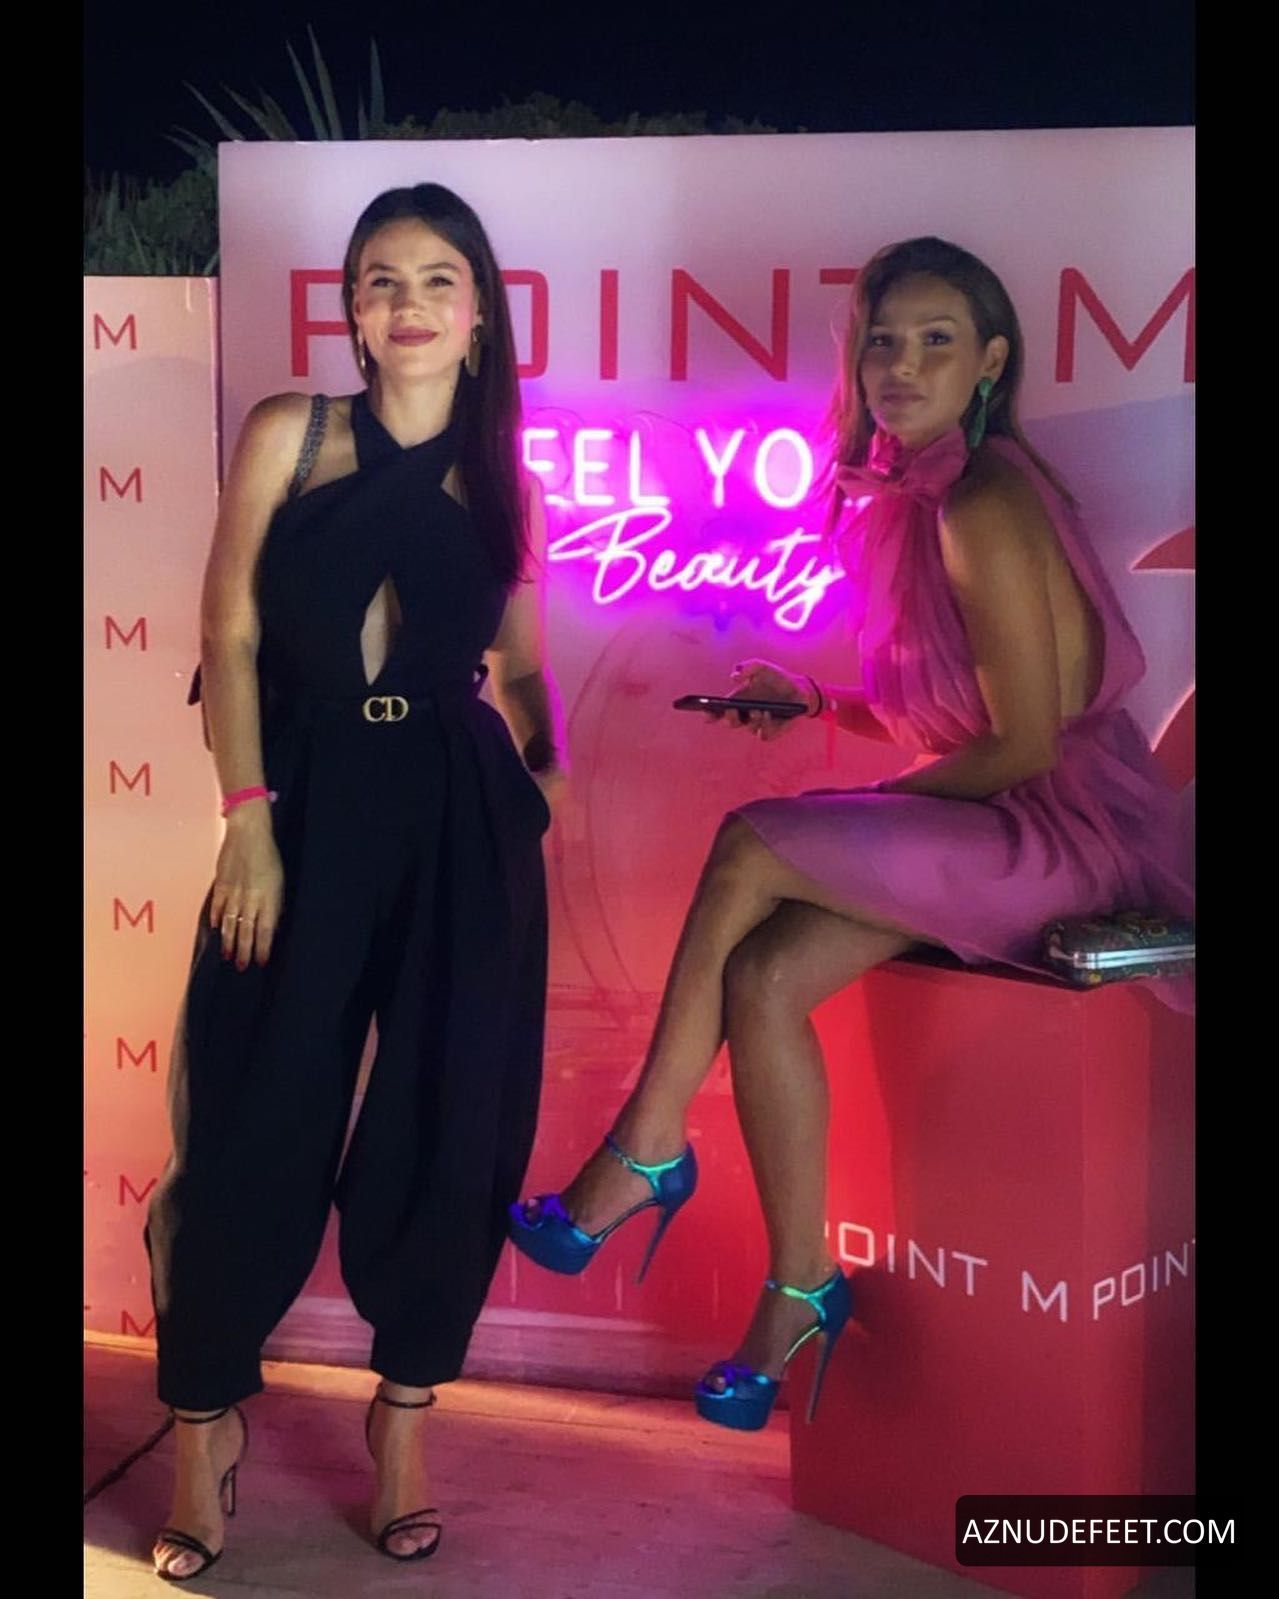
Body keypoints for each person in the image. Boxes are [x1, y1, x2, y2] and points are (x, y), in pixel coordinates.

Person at [508, 235, 1192, 1433]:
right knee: (766, 978)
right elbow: (955, 712)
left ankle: (646, 1149)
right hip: (991, 817)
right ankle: (799, 1288)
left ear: (989, 363)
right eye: (882, 339)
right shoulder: (907, 502)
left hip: (1061, 830)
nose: (901, 365)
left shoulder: (980, 498)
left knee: (753, 841)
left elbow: (1025, 746)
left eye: (936, 341)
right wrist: (819, 706)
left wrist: (840, 820)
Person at [147, 182, 564, 1579]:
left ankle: (404, 1424)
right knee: (252, 1105)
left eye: (438, 278)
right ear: (352, 310)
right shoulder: (293, 432)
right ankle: (202, 1422)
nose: (409, 302)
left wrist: (546, 775)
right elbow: (228, 627)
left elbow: (520, 660)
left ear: (480, 310)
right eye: (382, 279)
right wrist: (247, 820)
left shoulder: (506, 476)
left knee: (447, 1119)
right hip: (303, 799)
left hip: (457, 813)